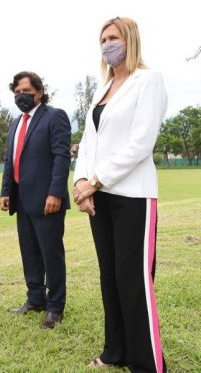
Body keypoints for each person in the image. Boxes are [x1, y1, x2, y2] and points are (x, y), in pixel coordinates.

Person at [73, 17, 168, 372]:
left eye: (113, 37)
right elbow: (87, 141)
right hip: (100, 196)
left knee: (133, 280)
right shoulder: (103, 87)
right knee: (110, 276)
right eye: (102, 38)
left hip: (133, 195)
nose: (107, 44)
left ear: (130, 40)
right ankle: (116, 350)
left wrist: (96, 180)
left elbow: (141, 143)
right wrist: (81, 181)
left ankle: (148, 364)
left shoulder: (149, 81)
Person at [0, 71, 71, 329]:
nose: (21, 96)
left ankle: (55, 307)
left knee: (51, 254)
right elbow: (11, 160)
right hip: (22, 199)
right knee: (29, 252)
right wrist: (6, 191)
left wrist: (56, 192)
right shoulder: (15, 123)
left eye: (26, 92)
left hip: (47, 200)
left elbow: (61, 157)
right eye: (17, 92)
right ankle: (35, 299)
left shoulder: (54, 117)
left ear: (39, 92)